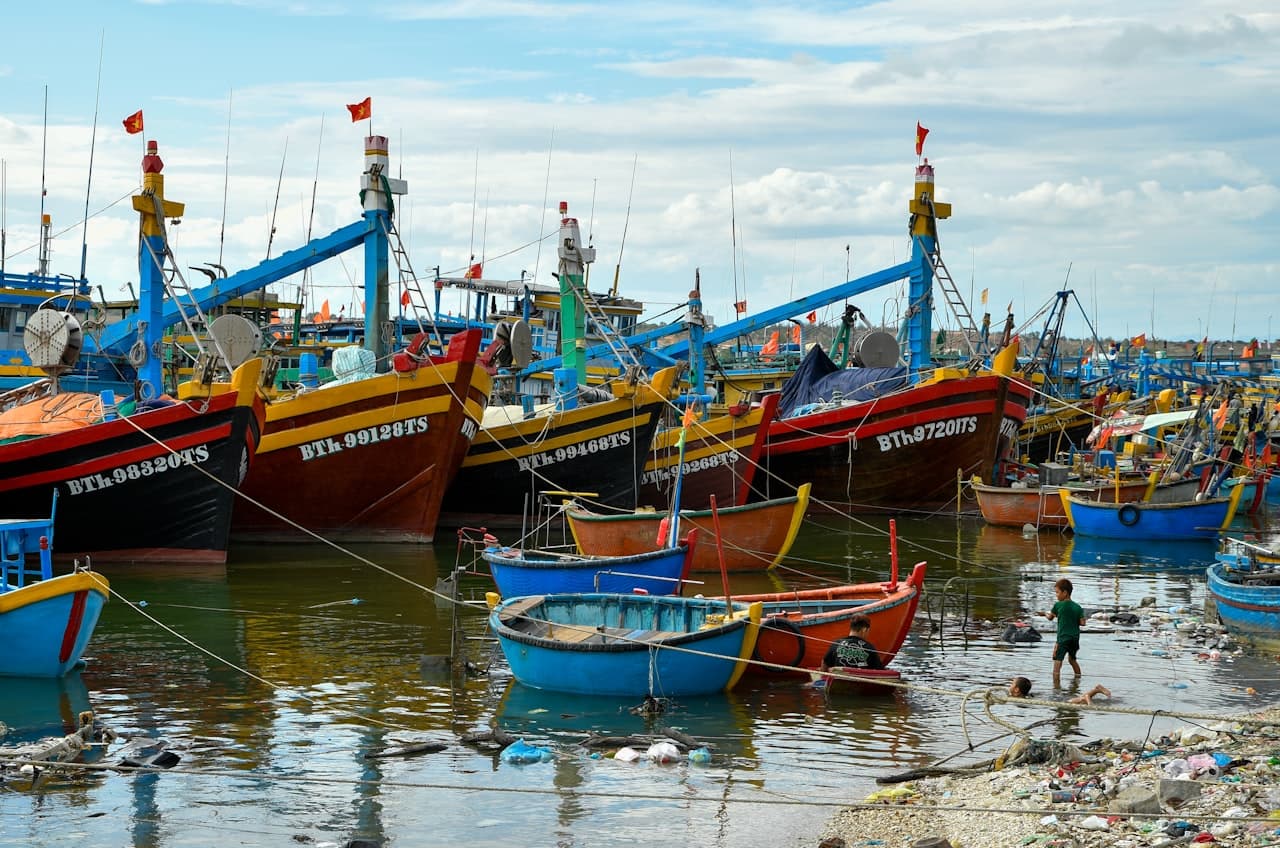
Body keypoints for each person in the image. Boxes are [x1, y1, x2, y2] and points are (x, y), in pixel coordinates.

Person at [1044, 578, 1085, 682]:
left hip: (1062, 638)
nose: (1056, 595)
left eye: (1057, 592)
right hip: (1075, 639)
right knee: (1072, 660)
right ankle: (1078, 680)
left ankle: (1056, 688)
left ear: (1065, 592)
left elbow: (1050, 618)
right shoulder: (1078, 607)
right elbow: (1083, 623)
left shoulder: (1058, 605)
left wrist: (1044, 613)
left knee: (1057, 663)